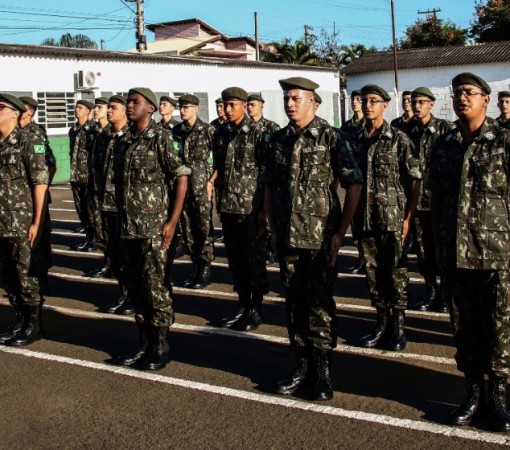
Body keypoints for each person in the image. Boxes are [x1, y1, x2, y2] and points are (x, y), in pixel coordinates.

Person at [265, 77, 362, 400]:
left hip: (320, 237)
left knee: (319, 306)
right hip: (289, 237)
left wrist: (341, 231)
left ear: (313, 102)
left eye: (296, 98)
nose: (290, 104)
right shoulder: (278, 140)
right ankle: (301, 366)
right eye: (287, 99)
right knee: (294, 305)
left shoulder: (333, 138)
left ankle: (322, 372)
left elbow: (353, 184)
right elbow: (269, 186)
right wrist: (274, 230)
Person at [429, 73, 510, 431]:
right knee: (464, 327)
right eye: (457, 93)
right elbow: (438, 199)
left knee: (499, 328)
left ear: (486, 99)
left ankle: (500, 397)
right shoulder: (444, 144)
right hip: (455, 253)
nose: (462, 98)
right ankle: (473, 392)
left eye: (470, 93)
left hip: (497, 252)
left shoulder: (504, 141)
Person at [114, 87, 190, 370]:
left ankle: (160, 345)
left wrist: (172, 221)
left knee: (155, 287)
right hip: (128, 227)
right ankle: (144, 342)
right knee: (136, 289)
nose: (129, 106)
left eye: (135, 102)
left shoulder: (162, 138)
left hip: (153, 227)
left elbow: (181, 177)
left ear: (150, 109)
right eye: (128, 102)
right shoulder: (124, 141)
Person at [355, 85, 422, 352]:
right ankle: (381, 321)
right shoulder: (354, 139)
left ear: (385, 105)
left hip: (392, 219)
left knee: (395, 273)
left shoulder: (398, 139)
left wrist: (408, 218)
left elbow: (414, 180)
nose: (368, 105)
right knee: (373, 274)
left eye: (374, 101)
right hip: (365, 218)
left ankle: (399, 326)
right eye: (364, 100)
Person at [208, 87, 268, 331]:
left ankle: (255, 308)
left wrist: (264, 209)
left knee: (253, 260)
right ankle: (242, 304)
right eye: (226, 105)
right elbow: (220, 167)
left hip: (250, 209)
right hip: (229, 208)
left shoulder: (259, 133)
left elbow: (266, 172)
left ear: (245, 105)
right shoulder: (221, 134)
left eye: (233, 105)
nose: (229, 109)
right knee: (236, 260)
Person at [0, 93, 49, 346]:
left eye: (0, 108)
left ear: (15, 113)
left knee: (26, 276)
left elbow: (39, 183)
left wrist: (37, 222)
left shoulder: (29, 141)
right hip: (1, 223)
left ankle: (33, 326)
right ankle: (19, 322)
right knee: (8, 277)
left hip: (21, 222)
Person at [407, 87, 453, 313]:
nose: (417, 106)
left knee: (442, 250)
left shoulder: (446, 130)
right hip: (417, 203)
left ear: (431, 104)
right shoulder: (405, 131)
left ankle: (445, 294)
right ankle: (431, 292)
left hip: (440, 202)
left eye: (422, 102)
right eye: (414, 102)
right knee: (423, 253)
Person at [94, 95, 133, 315]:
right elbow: (97, 168)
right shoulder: (104, 137)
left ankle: (133, 297)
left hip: (126, 207)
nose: (109, 111)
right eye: (108, 108)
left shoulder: (131, 136)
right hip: (107, 204)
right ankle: (124, 293)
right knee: (115, 254)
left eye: (113, 108)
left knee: (129, 256)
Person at [172, 94, 215, 289]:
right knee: (187, 228)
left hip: (200, 188)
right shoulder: (176, 131)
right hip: (182, 188)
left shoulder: (208, 131)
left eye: (187, 107)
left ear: (196, 109)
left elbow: (220, 159)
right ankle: (195, 267)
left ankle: (205, 268)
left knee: (203, 229)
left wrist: (211, 181)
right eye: (181, 107)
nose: (182, 111)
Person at [18, 96, 56, 298]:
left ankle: (40, 280)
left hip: (35, 198)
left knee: (39, 241)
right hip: (17, 201)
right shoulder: (14, 134)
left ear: (30, 111)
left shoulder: (36, 134)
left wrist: (41, 187)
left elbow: (50, 165)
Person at [246, 92, 280, 265]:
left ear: (261, 106)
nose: (249, 108)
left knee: (266, 215)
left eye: (253, 104)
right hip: (248, 182)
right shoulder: (244, 129)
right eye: (248, 105)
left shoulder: (271, 127)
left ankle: (269, 249)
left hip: (265, 178)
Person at [341, 89, 366, 274]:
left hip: (368, 180)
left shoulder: (370, 125)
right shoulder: (346, 127)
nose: (355, 102)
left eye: (358, 99)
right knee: (356, 223)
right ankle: (361, 258)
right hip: (353, 179)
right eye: (353, 99)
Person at [87, 97, 111, 277]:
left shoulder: (114, 132)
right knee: (98, 225)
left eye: (100, 107)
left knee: (111, 229)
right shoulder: (95, 132)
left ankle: (113, 263)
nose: (96, 110)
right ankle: (107, 259)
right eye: (95, 107)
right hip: (95, 186)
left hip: (110, 190)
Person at [69, 99, 96, 251]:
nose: (76, 110)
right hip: (75, 176)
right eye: (76, 107)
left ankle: (94, 239)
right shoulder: (73, 130)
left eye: (80, 108)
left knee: (90, 210)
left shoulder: (93, 130)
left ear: (88, 111)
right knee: (81, 210)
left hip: (88, 177)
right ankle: (87, 237)